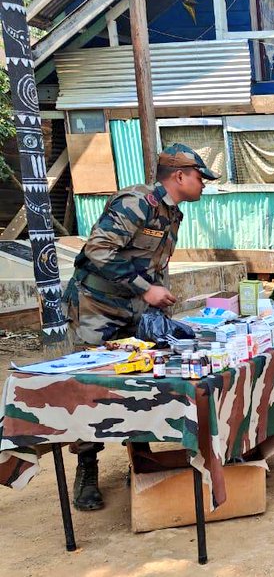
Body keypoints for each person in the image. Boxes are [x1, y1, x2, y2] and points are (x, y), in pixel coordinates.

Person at [61, 143, 218, 512]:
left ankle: (140, 454)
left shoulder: (172, 213)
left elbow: (152, 262)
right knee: (90, 389)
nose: (204, 184)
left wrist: (159, 293)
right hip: (95, 309)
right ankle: (87, 469)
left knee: (139, 380)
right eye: (200, 177)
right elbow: (96, 252)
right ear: (179, 175)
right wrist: (147, 290)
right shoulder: (136, 202)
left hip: (131, 310)